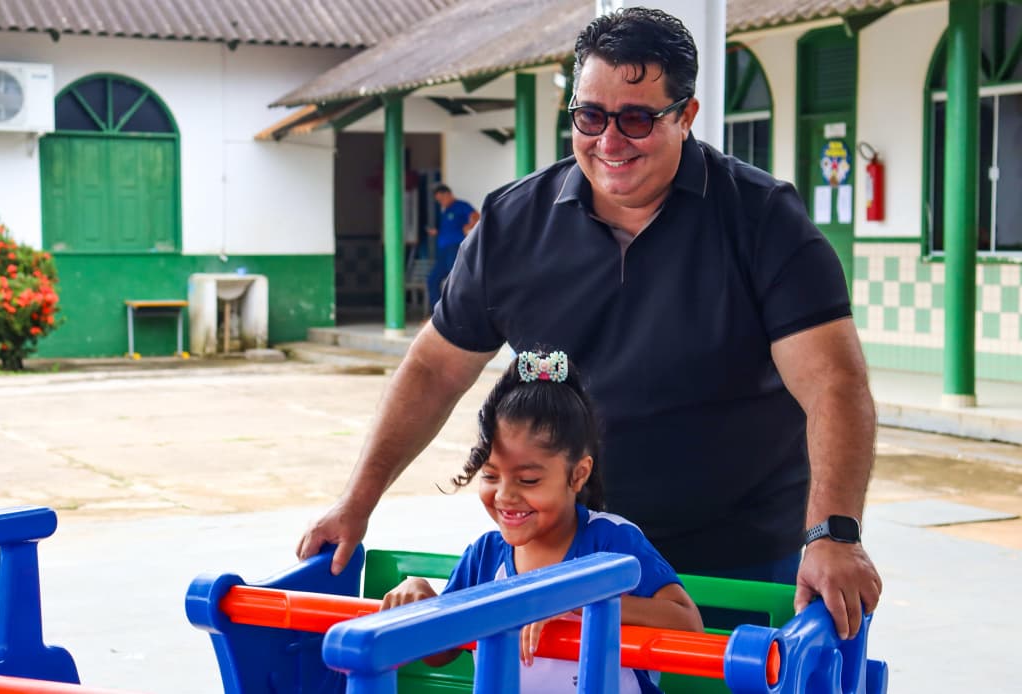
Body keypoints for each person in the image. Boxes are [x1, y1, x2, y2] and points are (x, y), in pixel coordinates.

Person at [298, 6, 882, 641]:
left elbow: (834, 383)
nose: (609, 142)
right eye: (589, 117)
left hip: (736, 555)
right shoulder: (512, 225)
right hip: (567, 552)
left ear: (685, 116)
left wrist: (833, 533)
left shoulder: (763, 220)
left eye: (636, 119)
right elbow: (435, 370)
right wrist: (356, 503)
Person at [379, 350, 702, 693]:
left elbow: (687, 624)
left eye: (528, 480)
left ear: (578, 475)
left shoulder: (611, 541)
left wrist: (581, 601)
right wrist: (422, 597)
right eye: (490, 476)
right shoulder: (485, 557)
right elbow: (440, 653)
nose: (505, 495)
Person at [425, 184, 480, 310]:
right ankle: (437, 313)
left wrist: (469, 226)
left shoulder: (461, 205)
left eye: (441, 199)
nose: (441, 202)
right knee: (432, 280)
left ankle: (458, 311)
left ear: (448, 194)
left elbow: (476, 216)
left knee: (455, 280)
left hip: (454, 248)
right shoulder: (446, 211)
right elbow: (449, 228)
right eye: (438, 201)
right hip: (443, 251)